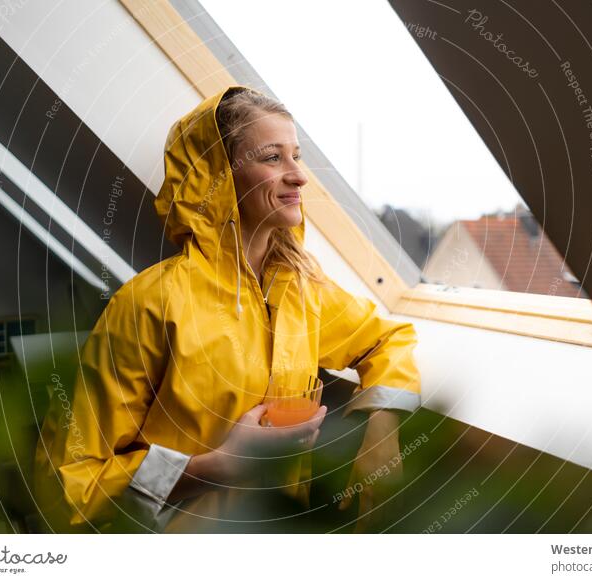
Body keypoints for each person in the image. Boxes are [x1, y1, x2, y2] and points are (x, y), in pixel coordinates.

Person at [33, 86, 422, 533]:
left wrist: (383, 429)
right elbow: (66, 483)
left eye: (297, 155)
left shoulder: (302, 289)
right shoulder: (149, 303)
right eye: (273, 158)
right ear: (217, 176)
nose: (299, 176)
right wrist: (217, 467)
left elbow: (388, 339)